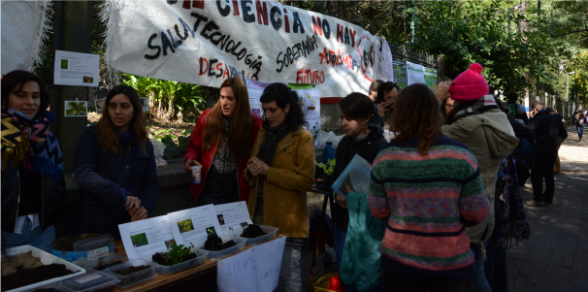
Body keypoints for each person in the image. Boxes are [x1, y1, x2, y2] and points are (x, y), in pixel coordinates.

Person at [368, 83, 490, 292]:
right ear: (436, 112)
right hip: (450, 265)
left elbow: (377, 209)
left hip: (399, 264)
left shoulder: (385, 156)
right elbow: (477, 213)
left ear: (400, 113)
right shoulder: (461, 156)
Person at [435, 63, 518, 292]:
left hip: (463, 218)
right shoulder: (495, 119)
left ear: (462, 100)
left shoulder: (469, 126)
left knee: (473, 279)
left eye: (453, 99)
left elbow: (421, 131)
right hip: (480, 213)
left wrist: (435, 98)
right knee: (475, 274)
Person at [245, 83, 314, 292]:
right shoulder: (263, 133)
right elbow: (251, 171)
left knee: (289, 276)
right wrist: (251, 170)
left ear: (287, 108)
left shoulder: (302, 137)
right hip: (259, 216)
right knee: (262, 276)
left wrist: (268, 172)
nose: (267, 115)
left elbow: (305, 181)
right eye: (264, 110)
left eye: (272, 110)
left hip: (287, 221)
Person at [68, 85, 158, 240]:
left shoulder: (143, 143)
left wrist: (145, 208)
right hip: (96, 222)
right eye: (112, 106)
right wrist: (120, 194)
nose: (117, 111)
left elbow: (150, 182)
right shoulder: (92, 135)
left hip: (130, 223)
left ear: (135, 109)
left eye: (124, 106)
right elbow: (83, 173)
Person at [1, 70, 65, 252]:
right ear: (5, 98)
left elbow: (58, 180)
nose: (30, 102)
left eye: (35, 96)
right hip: (5, 232)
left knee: (45, 279)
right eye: (21, 95)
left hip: (41, 230)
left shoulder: (48, 138)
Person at [331, 93, 387, 292]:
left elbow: (384, 193)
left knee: (369, 277)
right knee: (346, 275)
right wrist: (336, 192)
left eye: (349, 118)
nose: (344, 123)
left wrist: (357, 200)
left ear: (366, 118)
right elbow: (339, 176)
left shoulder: (381, 148)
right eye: (342, 117)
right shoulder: (345, 142)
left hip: (367, 226)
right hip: (342, 222)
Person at [184, 77, 262, 205]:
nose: (224, 103)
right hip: (207, 193)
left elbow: (259, 157)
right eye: (222, 97)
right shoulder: (207, 118)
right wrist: (190, 159)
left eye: (230, 98)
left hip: (238, 196)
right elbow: (193, 145)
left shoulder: (254, 125)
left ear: (240, 100)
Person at [526, 107, 567, 207]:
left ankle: (538, 198)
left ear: (535, 110)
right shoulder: (556, 119)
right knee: (549, 175)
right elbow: (564, 134)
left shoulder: (538, 119)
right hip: (552, 151)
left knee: (537, 174)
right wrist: (555, 142)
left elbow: (528, 130)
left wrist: (531, 118)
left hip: (539, 150)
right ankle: (548, 199)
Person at [546, 108, 564, 173]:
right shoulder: (556, 118)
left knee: (554, 154)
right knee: (553, 154)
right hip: (555, 139)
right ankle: (556, 169)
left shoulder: (554, 119)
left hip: (556, 140)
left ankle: (557, 169)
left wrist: (558, 140)